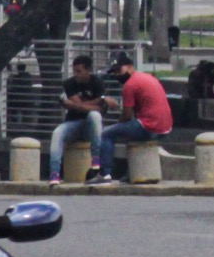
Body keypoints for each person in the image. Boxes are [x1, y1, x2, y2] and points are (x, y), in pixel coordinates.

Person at [95, 53, 173, 183]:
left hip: (149, 127)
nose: (117, 75)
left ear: (130, 67)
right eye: (114, 72)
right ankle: (131, 173)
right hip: (166, 128)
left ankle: (104, 174)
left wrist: (117, 126)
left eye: (119, 70)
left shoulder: (130, 85)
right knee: (129, 131)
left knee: (106, 134)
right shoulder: (147, 77)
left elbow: (126, 116)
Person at [48, 54, 108, 185]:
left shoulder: (97, 82)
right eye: (74, 71)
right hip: (73, 123)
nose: (76, 74)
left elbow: (99, 110)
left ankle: (96, 162)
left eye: (79, 71)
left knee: (94, 116)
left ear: (88, 70)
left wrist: (75, 105)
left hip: (90, 127)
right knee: (57, 132)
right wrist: (96, 102)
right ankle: (54, 173)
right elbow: (83, 106)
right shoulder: (69, 84)